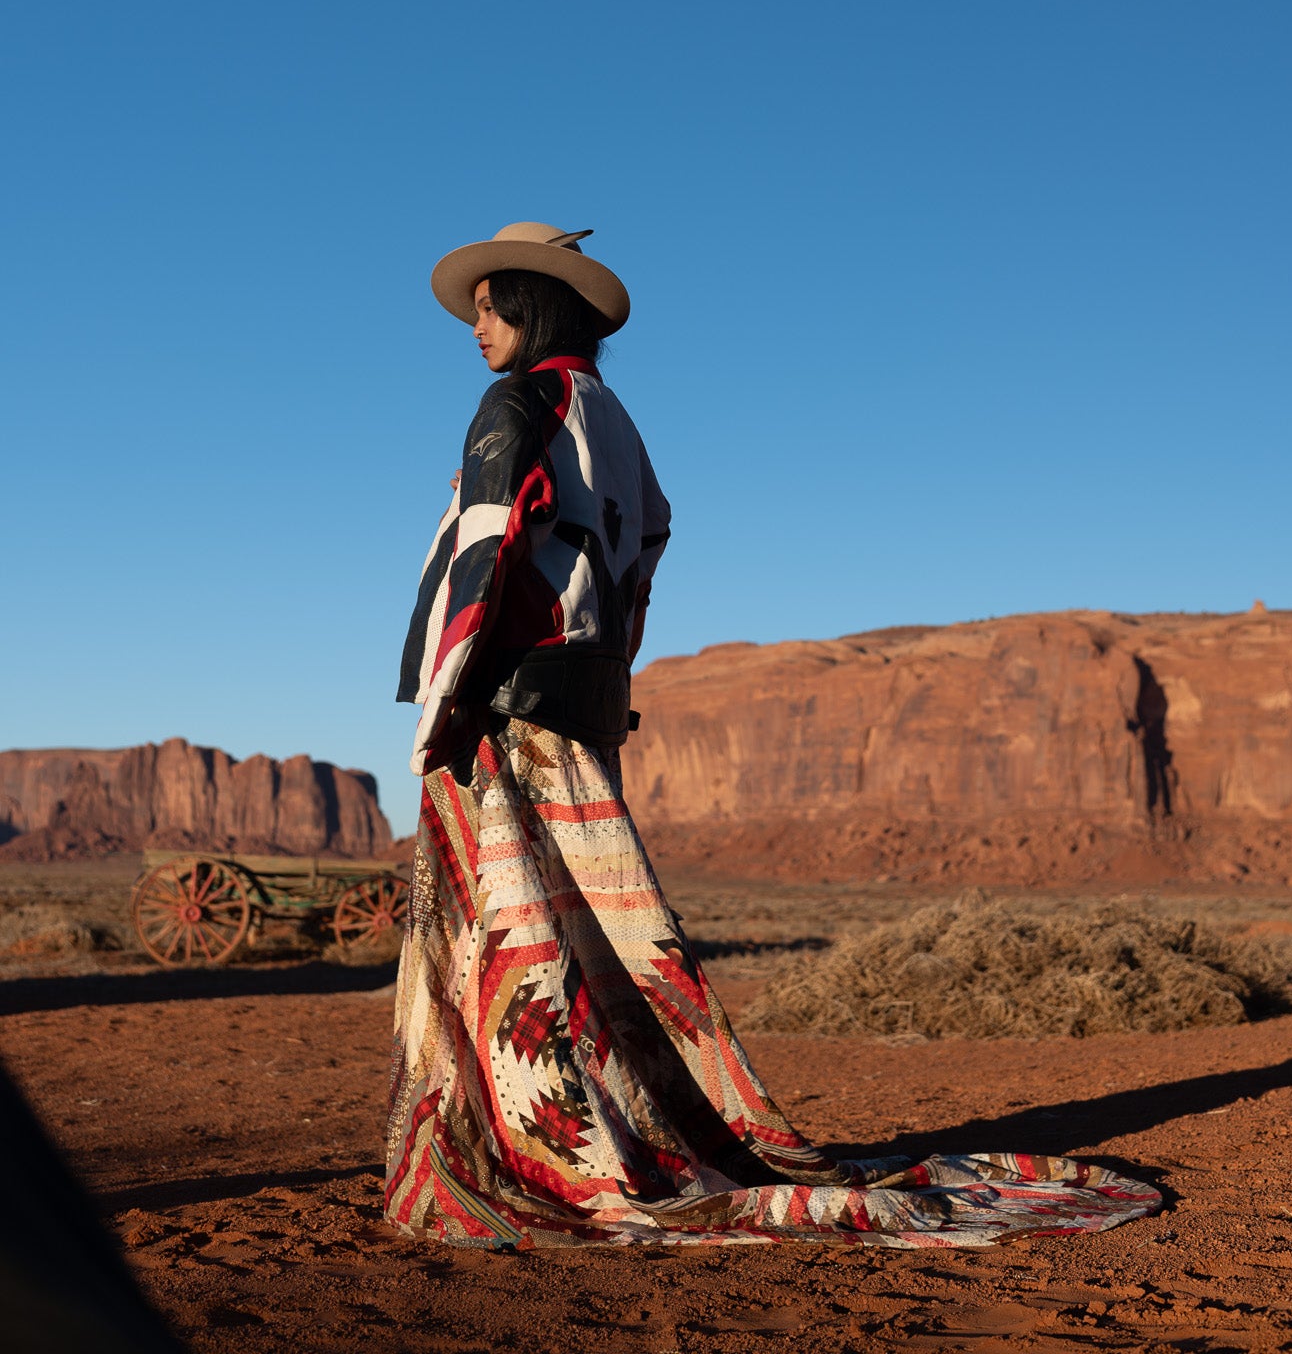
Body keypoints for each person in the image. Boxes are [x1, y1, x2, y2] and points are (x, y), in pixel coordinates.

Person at [385, 223, 1158, 1250]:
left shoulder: (518, 402)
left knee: (499, 936)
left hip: (506, 704)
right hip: (579, 700)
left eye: (489, 304)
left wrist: (443, 699)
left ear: (532, 303)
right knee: (576, 937)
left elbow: (488, 546)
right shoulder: (613, 421)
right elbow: (642, 560)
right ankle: (615, 1128)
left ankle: (535, 1150)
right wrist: (609, 677)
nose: (475, 325)